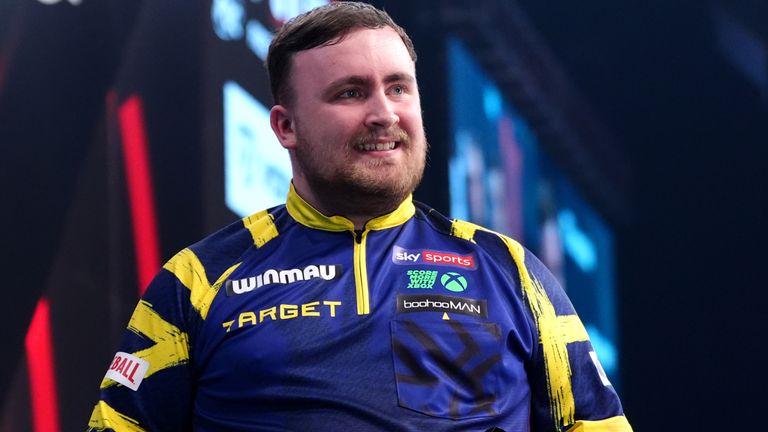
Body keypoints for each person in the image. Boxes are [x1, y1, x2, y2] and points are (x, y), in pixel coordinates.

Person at [87, 3, 632, 431]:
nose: (383, 113)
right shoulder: (199, 280)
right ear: (285, 127)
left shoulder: (510, 270)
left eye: (398, 87)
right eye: (351, 93)